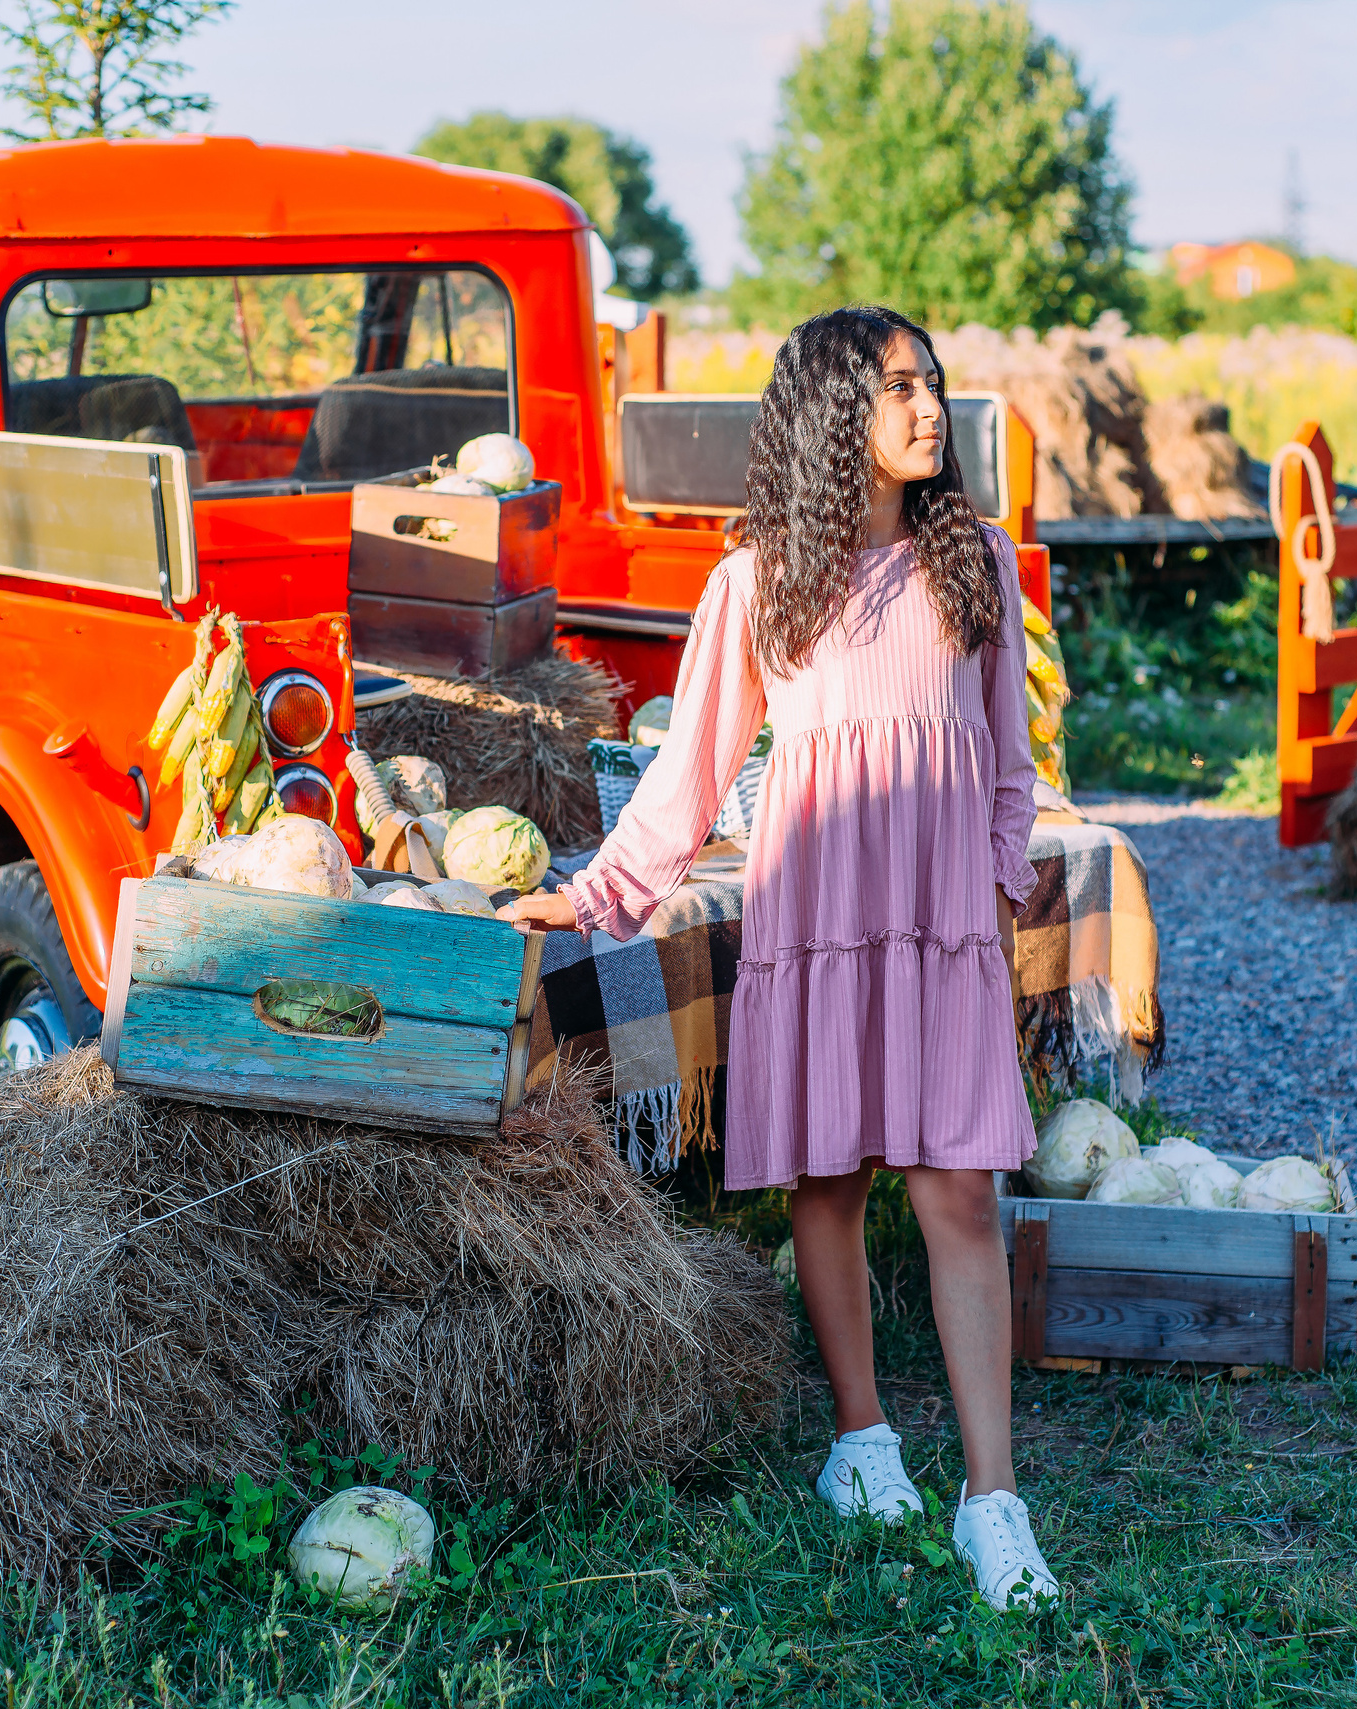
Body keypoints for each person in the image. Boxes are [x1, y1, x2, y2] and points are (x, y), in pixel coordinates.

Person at [506, 306, 1056, 1609]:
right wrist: (592, 898)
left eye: (934, 384)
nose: (931, 409)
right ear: (831, 416)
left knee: (962, 1193)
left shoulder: (979, 559)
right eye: (903, 388)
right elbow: (686, 778)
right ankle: (861, 1440)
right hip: (818, 917)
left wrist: (992, 876)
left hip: (938, 922)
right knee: (828, 1179)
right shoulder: (757, 582)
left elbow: (1012, 766)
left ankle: (994, 1499)